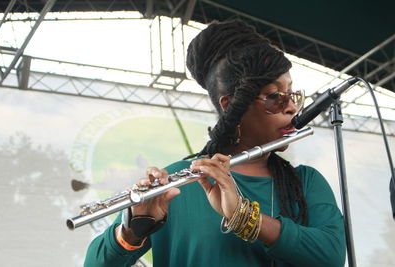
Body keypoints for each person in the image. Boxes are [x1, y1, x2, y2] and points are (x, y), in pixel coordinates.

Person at [84, 19, 346, 267]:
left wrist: (244, 217)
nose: (290, 107)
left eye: (292, 94)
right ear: (231, 105)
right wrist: (131, 231)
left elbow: (331, 256)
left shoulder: (306, 181)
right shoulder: (176, 183)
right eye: (275, 96)